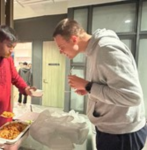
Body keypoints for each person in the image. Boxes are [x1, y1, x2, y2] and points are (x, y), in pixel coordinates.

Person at [53, 18, 147, 150]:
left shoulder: (106, 49)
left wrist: (88, 86)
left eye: (61, 47)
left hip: (122, 134)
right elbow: (110, 85)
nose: (60, 52)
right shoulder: (93, 51)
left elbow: (132, 97)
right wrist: (89, 90)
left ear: (74, 39)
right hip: (111, 130)